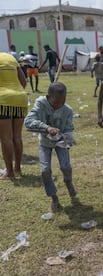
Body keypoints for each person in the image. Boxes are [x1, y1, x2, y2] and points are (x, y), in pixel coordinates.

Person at [24, 82, 76, 211]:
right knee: (45, 170)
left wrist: (67, 139)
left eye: (63, 101)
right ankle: (54, 197)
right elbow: (28, 122)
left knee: (65, 166)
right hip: (45, 143)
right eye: (57, 102)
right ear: (48, 97)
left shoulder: (67, 110)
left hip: (61, 142)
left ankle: (68, 182)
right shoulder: (40, 105)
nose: (60, 105)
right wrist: (47, 128)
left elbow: (69, 128)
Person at [0, 53, 28, 180]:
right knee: (17, 136)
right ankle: (17, 168)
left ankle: (9, 173)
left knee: (6, 138)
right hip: (20, 98)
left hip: (3, 99)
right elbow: (23, 81)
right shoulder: (10, 57)